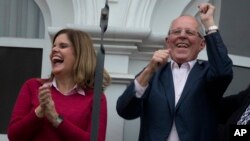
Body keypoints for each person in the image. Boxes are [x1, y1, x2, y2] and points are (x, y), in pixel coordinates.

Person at [116, 3, 233, 141]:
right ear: (168, 41)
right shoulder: (152, 74)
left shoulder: (207, 72)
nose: (182, 36)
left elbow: (223, 72)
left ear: (202, 44)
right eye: (176, 32)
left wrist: (209, 23)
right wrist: (149, 70)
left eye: (190, 32)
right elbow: (125, 111)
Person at [7, 28, 111, 141]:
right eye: (54, 46)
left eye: (62, 46)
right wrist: (40, 110)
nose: (54, 50)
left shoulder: (96, 98)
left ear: (80, 54)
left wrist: (56, 119)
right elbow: (14, 136)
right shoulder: (33, 86)